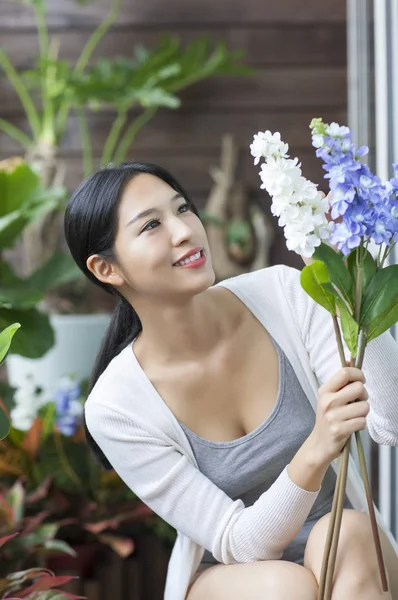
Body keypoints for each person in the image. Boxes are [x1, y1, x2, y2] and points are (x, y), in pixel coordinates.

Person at [64, 161, 398, 600]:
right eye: (151, 225)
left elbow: (389, 422)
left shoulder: (284, 293)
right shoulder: (117, 407)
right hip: (231, 575)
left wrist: (346, 285)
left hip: (348, 557)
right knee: (286, 587)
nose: (184, 230)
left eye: (183, 209)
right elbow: (238, 542)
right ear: (107, 269)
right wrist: (317, 447)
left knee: (353, 530)